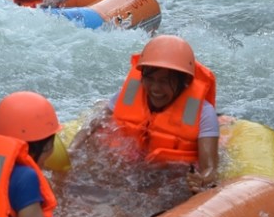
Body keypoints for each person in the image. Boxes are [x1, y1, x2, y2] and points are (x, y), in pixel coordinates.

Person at [91, 35, 220, 194]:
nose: (155, 88)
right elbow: (96, 121)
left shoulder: (203, 113)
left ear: (184, 81)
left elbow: (210, 169)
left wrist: (202, 180)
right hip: (134, 168)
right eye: (150, 79)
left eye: (164, 81)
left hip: (172, 176)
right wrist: (74, 149)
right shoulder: (131, 93)